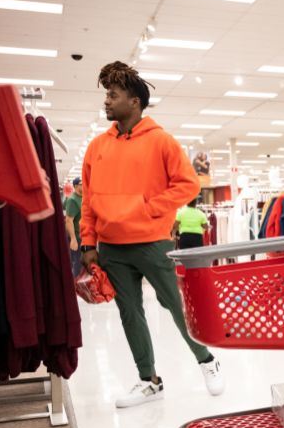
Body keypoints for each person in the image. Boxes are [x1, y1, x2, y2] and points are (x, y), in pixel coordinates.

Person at [79, 61, 224, 407]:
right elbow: (88, 199)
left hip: (152, 242)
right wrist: (88, 242)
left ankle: (207, 361)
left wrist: (147, 209)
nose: (106, 101)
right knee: (130, 314)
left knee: (176, 306)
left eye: (113, 95)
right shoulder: (97, 146)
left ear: (135, 102)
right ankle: (149, 380)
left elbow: (187, 185)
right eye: (106, 95)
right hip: (112, 247)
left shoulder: (161, 141)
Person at [63, 177, 83, 277]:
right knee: (77, 265)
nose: (84, 185)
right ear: (75, 186)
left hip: (83, 237)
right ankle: (74, 288)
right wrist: (73, 239)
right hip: (76, 238)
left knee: (83, 264)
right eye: (81, 184)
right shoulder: (72, 200)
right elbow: (69, 220)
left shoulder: (83, 197)